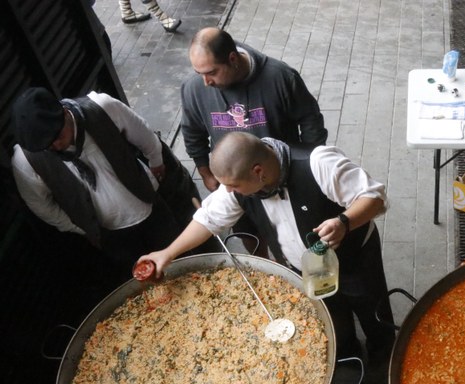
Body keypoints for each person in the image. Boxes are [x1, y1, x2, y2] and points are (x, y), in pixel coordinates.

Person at [138, 132, 395, 363]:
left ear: (258, 171)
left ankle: (384, 353)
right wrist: (167, 253)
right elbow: (208, 219)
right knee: (332, 315)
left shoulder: (318, 163)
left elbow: (375, 197)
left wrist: (344, 222)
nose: (227, 191)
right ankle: (347, 352)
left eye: (233, 185)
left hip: (355, 259)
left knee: (373, 312)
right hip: (308, 268)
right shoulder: (241, 185)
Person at [10, 87, 197, 279]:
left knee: (181, 261)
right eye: (47, 147)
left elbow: (143, 134)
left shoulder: (101, 107)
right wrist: (79, 226)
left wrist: (156, 161)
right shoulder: (25, 161)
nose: (56, 146)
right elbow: (41, 206)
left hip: (149, 205)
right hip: (110, 235)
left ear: (64, 113)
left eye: (58, 137)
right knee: (138, 282)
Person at [181, 27, 327, 193]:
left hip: (282, 178)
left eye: (212, 72)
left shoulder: (280, 77)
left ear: (232, 58)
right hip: (236, 186)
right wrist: (205, 173)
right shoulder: (193, 88)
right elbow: (192, 133)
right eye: (199, 73)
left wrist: (310, 163)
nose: (206, 82)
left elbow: (310, 120)